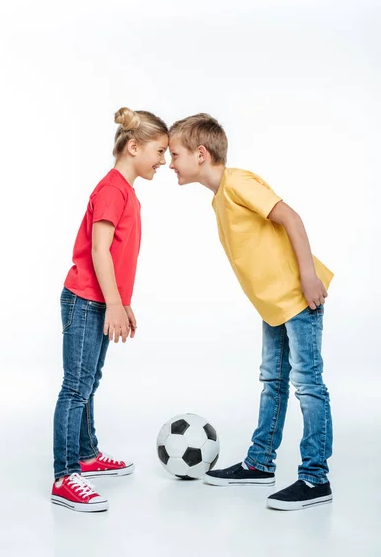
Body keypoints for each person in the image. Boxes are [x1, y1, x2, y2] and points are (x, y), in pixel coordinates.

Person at [168, 113, 333, 511]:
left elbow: (290, 217)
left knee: (308, 384)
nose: (170, 162)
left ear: (201, 154)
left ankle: (315, 478)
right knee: (272, 382)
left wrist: (309, 277)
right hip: (274, 305)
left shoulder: (238, 182)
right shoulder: (219, 197)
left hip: (298, 297)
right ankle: (260, 463)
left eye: (174, 154)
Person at [51, 108, 168, 512]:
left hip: (101, 299)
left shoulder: (126, 192)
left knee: (89, 382)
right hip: (86, 299)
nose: (164, 161)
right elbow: (99, 250)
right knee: (75, 387)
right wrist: (113, 304)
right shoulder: (112, 189)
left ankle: (86, 455)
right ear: (133, 146)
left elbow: (116, 256)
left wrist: (123, 303)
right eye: (159, 150)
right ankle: (65, 476)